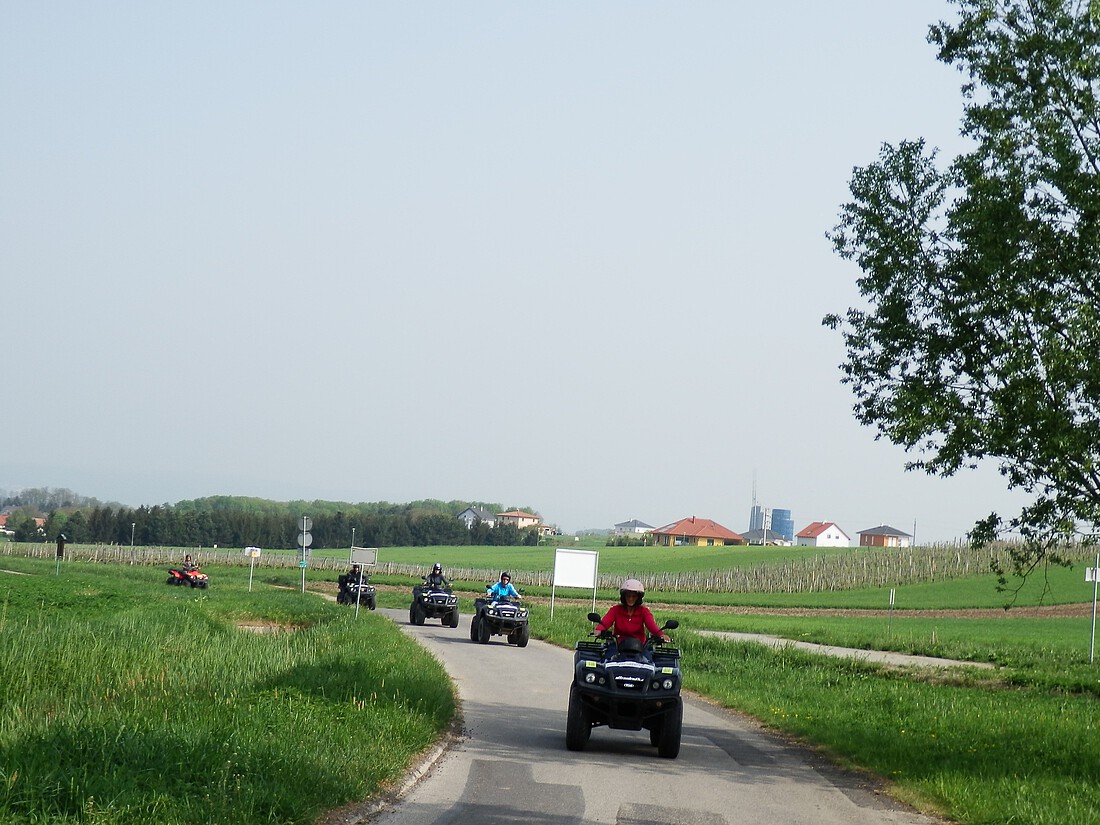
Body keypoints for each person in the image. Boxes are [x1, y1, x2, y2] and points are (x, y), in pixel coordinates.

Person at [593, 578, 669, 647]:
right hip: (618, 646)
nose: (630, 599)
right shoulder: (615, 610)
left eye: (634, 596)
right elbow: (605, 622)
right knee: (606, 659)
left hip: (639, 648)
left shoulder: (644, 611)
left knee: (649, 660)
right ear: (624, 597)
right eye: (628, 596)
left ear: (638, 598)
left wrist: (661, 635)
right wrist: (599, 630)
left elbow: (651, 626)